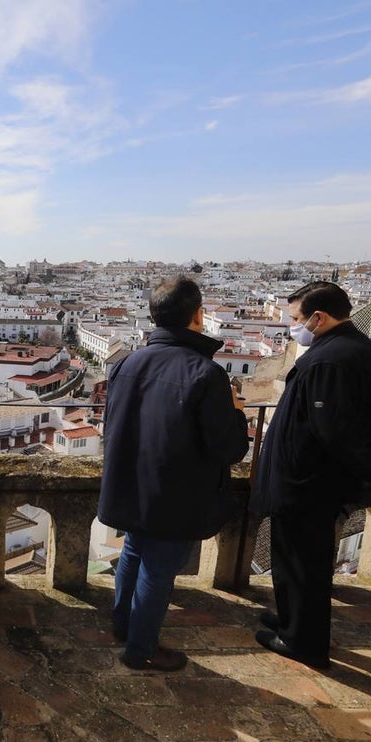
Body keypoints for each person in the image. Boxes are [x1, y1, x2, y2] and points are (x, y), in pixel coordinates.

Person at [98, 276, 249, 671]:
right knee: (159, 569)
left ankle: (123, 625)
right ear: (198, 317)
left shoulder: (127, 363)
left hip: (131, 482)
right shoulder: (205, 373)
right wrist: (235, 411)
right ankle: (140, 649)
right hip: (178, 492)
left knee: (133, 552)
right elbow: (228, 448)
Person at [251, 281, 371, 668]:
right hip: (315, 480)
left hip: (307, 482)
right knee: (297, 558)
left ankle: (302, 641)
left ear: (318, 318)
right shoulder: (363, 350)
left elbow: (334, 430)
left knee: (303, 562)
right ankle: (291, 619)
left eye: (296, 319)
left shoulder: (328, 360)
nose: (292, 326)